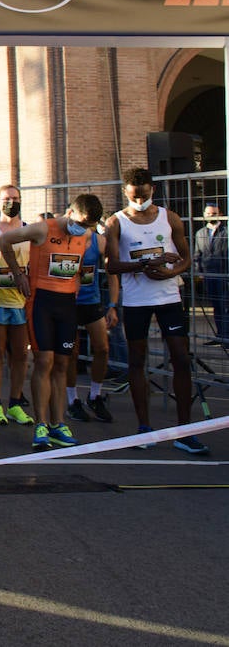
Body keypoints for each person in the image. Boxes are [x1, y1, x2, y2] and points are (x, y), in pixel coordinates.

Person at [104, 168, 206, 455]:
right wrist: (144, 265)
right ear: (125, 192)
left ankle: (185, 431)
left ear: (153, 191)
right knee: (137, 360)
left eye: (145, 195)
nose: (140, 200)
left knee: (181, 357)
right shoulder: (116, 223)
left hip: (169, 298)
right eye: (135, 196)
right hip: (137, 301)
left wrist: (171, 269)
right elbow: (111, 265)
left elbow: (186, 258)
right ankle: (144, 428)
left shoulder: (169, 217)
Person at [0, 195, 103, 450]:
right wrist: (18, 273)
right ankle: (41, 424)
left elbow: (78, 266)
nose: (82, 228)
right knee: (44, 360)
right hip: (41, 301)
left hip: (67, 304)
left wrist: (76, 283)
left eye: (88, 225)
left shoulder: (87, 235)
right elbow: (4, 240)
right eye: (79, 222)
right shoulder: (44, 228)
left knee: (63, 363)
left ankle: (58, 424)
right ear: (70, 212)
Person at [0, 184, 35, 428]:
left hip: (21, 301)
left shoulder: (29, 230)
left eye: (15, 198)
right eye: (6, 198)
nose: (11, 202)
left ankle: (15, 403)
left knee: (21, 355)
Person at [65, 222, 119, 424]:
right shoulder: (65, 238)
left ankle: (95, 395)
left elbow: (112, 274)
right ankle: (73, 400)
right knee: (72, 352)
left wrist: (112, 305)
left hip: (91, 301)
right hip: (69, 302)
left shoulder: (99, 240)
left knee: (102, 348)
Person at [193, 202, 227, 343]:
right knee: (216, 306)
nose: (210, 216)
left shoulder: (226, 231)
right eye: (208, 213)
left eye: (213, 213)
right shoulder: (200, 233)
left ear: (219, 214)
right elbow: (197, 254)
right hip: (208, 275)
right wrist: (198, 271)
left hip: (224, 275)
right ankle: (220, 335)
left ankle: (226, 337)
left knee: (225, 306)